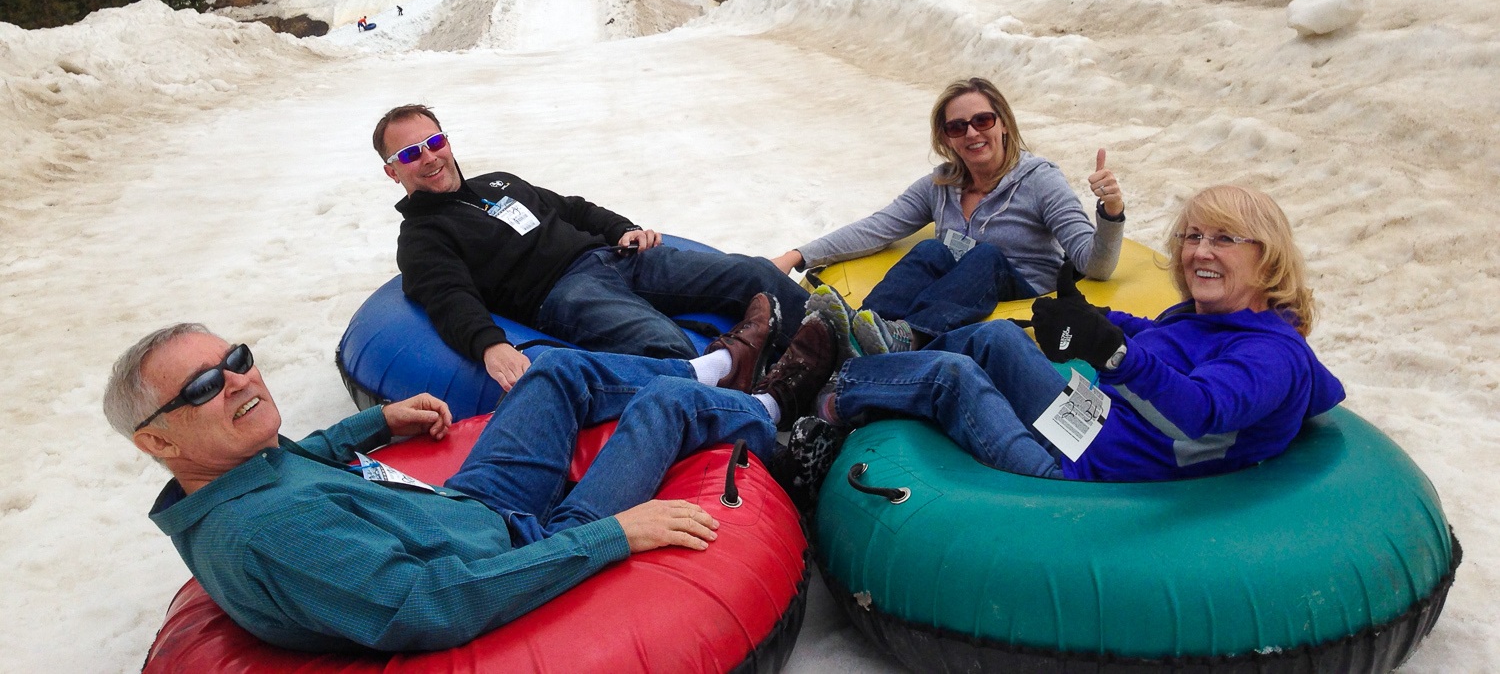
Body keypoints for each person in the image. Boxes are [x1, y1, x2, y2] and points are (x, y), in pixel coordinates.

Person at [105, 305, 841, 653]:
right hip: (517, 548)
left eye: (236, 357)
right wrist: (612, 534)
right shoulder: (269, 531)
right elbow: (433, 603)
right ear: (157, 438)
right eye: (205, 384)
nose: (237, 380)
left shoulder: (234, 471)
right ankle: (776, 413)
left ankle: (714, 366)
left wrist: (375, 423)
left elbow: (307, 454)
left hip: (469, 505)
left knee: (554, 370)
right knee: (661, 410)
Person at [783, 185, 1345, 503]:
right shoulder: (1213, 317)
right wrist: (1093, 316)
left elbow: (1200, 413)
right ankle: (878, 360)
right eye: (1193, 236)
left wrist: (1113, 353)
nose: (1201, 251)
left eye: (1224, 239)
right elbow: (1163, 336)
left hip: (1081, 474)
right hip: (1091, 426)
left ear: (1266, 257)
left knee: (953, 378)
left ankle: (829, 389)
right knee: (998, 336)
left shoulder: (1271, 356)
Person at [375, 104, 809, 391]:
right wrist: (489, 344)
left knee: (751, 273)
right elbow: (447, 295)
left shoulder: (497, 182)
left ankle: (838, 343)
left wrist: (624, 229)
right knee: (666, 347)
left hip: (615, 259)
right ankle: (762, 405)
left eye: (434, 142)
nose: (430, 158)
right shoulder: (422, 236)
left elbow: (573, 210)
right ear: (393, 172)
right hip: (562, 294)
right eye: (411, 154)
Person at [772, 77, 1125, 354]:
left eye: (982, 120)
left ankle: (909, 337)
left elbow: (1094, 264)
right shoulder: (941, 184)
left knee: (985, 255)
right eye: (957, 127)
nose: (972, 132)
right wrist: (797, 255)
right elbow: (879, 227)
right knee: (930, 251)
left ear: (1003, 124)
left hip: (1022, 295)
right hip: (954, 295)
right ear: (947, 138)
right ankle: (858, 331)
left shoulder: (1040, 180)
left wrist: (1111, 212)